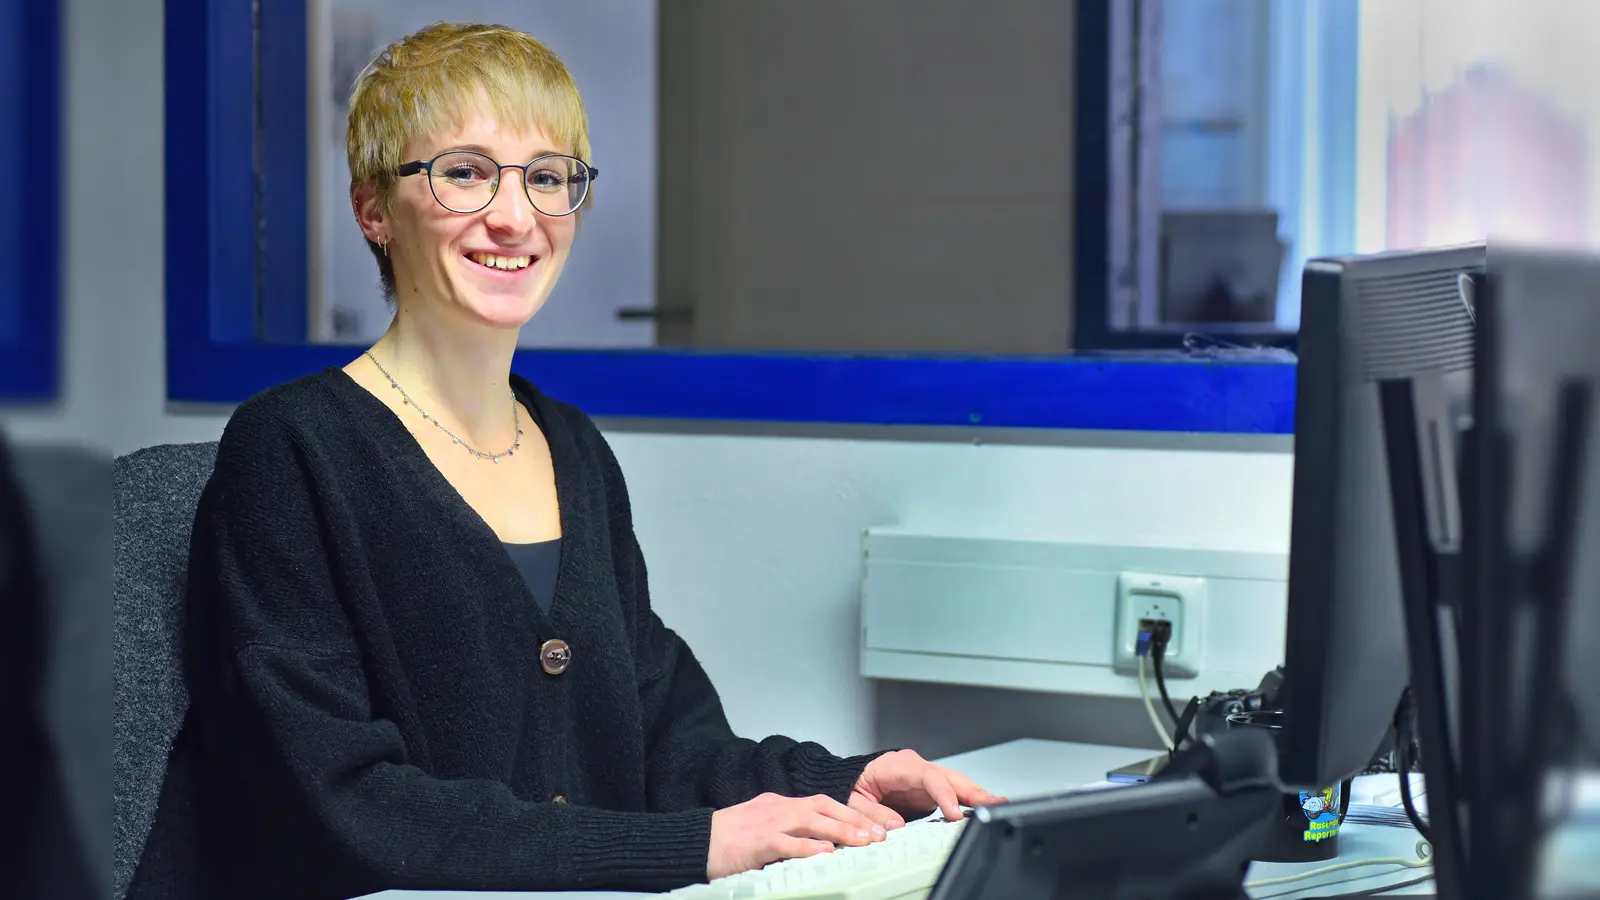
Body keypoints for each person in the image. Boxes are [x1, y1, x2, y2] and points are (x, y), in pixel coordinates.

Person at [179, 21, 1002, 900]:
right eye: (463, 172)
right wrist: (690, 849)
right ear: (373, 208)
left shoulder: (571, 447)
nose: (514, 216)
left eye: (546, 177)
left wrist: (839, 784)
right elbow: (344, 802)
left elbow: (662, 738)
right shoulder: (292, 448)